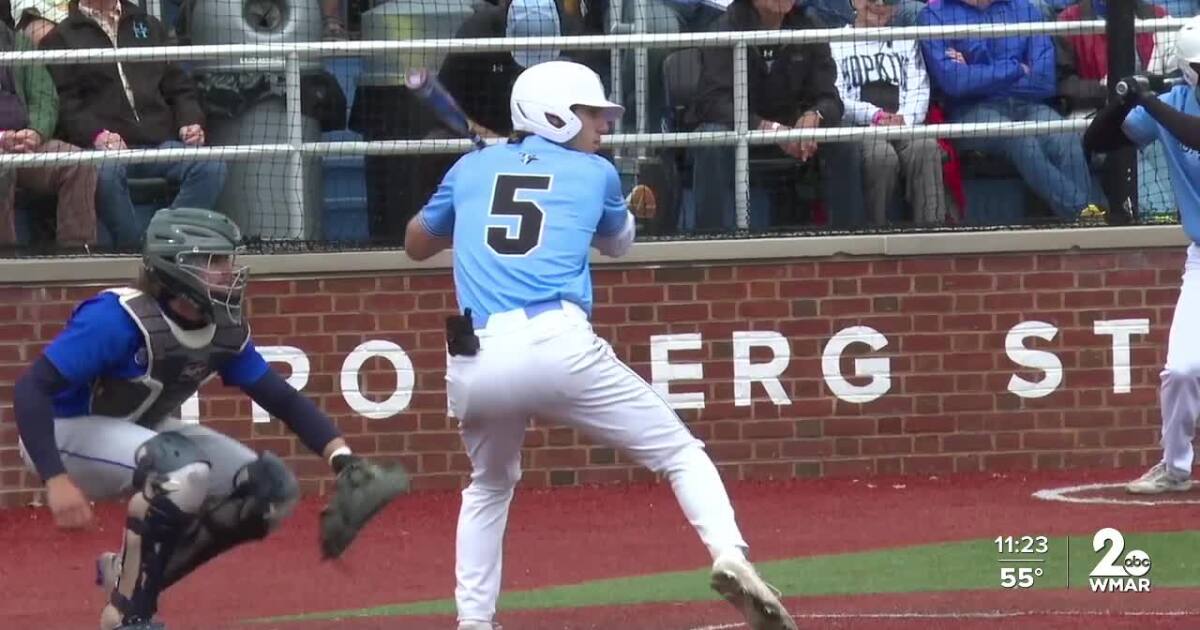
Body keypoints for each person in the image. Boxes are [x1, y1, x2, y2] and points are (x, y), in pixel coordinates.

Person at [403, 60, 796, 630]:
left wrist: (472, 180)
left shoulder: (472, 167)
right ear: (555, 114)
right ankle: (729, 553)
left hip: (478, 358)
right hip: (557, 343)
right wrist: (623, 203)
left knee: (488, 486)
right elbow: (619, 244)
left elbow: (416, 243)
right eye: (592, 114)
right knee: (680, 452)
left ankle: (474, 623)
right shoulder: (595, 173)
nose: (603, 126)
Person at [12, 208, 370, 629]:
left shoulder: (221, 326)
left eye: (228, 259)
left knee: (267, 490)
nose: (230, 270)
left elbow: (282, 399)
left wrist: (341, 458)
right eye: (216, 261)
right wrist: (56, 480)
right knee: (182, 472)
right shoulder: (115, 319)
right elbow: (30, 389)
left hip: (136, 429)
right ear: (178, 266)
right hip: (62, 434)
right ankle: (131, 617)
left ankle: (126, 579)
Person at [1084, 16, 1200, 494]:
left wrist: (1146, 97)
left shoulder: (1172, 109)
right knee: (1182, 369)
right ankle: (1175, 467)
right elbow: (1098, 142)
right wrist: (1123, 98)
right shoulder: (1173, 102)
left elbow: (1196, 134)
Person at [38, 0, 227, 248]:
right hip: (106, 152)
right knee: (103, 174)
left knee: (211, 166)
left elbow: (180, 88)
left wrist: (189, 122)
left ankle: (163, 241)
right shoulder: (61, 38)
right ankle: (136, 249)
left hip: (160, 146)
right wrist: (97, 135)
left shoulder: (151, 27)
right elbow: (66, 105)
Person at [919, 0, 1104, 224]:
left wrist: (976, 70)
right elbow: (954, 83)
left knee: (1066, 138)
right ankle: (1085, 215)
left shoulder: (1026, 9)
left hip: (1028, 104)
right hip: (970, 112)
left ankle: (1082, 225)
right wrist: (1017, 68)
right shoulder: (934, 14)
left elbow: (1044, 82)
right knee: (1020, 139)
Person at [689, 0, 865, 231]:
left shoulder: (809, 27)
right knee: (711, 138)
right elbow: (713, 103)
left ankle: (850, 239)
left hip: (795, 136)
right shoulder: (724, 29)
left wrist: (815, 115)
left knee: (844, 140)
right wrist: (766, 128)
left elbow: (830, 98)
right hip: (741, 129)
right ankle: (710, 241)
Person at [830, 0, 947, 225]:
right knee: (881, 156)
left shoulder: (906, 40)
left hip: (905, 125)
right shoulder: (835, 41)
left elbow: (919, 88)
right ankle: (875, 233)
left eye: (889, 0)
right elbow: (837, 96)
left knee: (926, 147)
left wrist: (907, 118)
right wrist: (875, 116)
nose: (880, 3)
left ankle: (932, 234)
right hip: (860, 129)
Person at [0, 17, 96, 246]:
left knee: (78, 162)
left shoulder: (16, 41)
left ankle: (77, 261)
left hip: (24, 143)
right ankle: (8, 269)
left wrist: (35, 131)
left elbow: (44, 95)